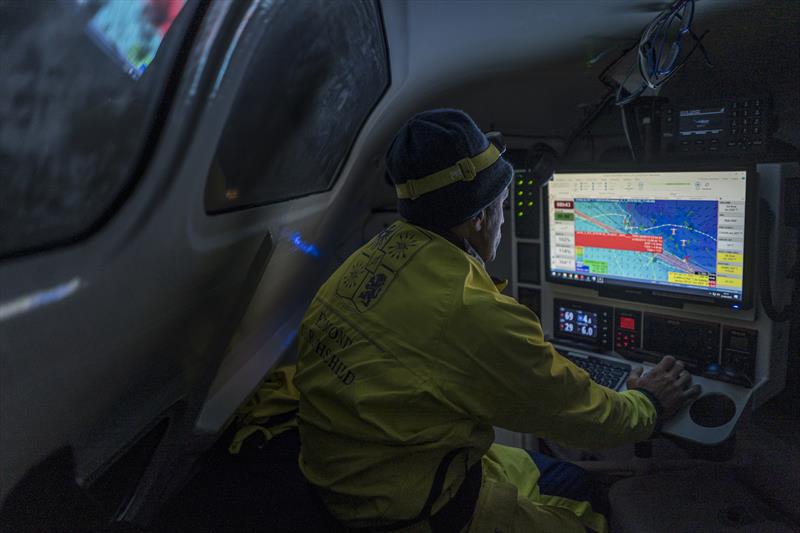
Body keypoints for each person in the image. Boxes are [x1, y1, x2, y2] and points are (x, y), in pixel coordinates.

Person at [293, 108, 701, 532]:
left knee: (568, 479)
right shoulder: (473, 312)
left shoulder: (370, 256)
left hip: (359, 472)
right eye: (503, 205)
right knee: (594, 519)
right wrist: (648, 403)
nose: (505, 219)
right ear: (479, 218)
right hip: (412, 512)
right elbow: (585, 419)